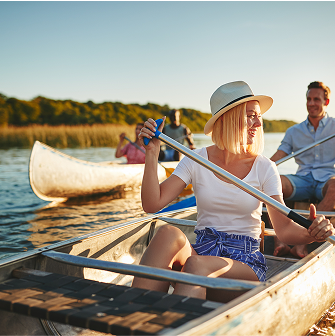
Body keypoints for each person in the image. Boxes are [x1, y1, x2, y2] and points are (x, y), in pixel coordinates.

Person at [131, 81, 334, 303]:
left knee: (197, 265)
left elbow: (283, 230)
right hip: (202, 252)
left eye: (258, 116)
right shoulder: (196, 159)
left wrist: (311, 233)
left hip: (244, 265)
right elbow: (152, 204)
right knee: (167, 234)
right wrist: (151, 153)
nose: (258, 123)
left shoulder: (264, 167)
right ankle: (133, 317)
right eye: (251, 116)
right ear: (229, 118)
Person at [270, 81, 335, 258]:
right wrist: (259, 169)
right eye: (309, 99)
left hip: (326, 180)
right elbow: (278, 156)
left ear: (326, 102)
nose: (311, 103)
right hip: (302, 180)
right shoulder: (293, 131)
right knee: (274, 180)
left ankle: (304, 240)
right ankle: (281, 242)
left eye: (316, 99)